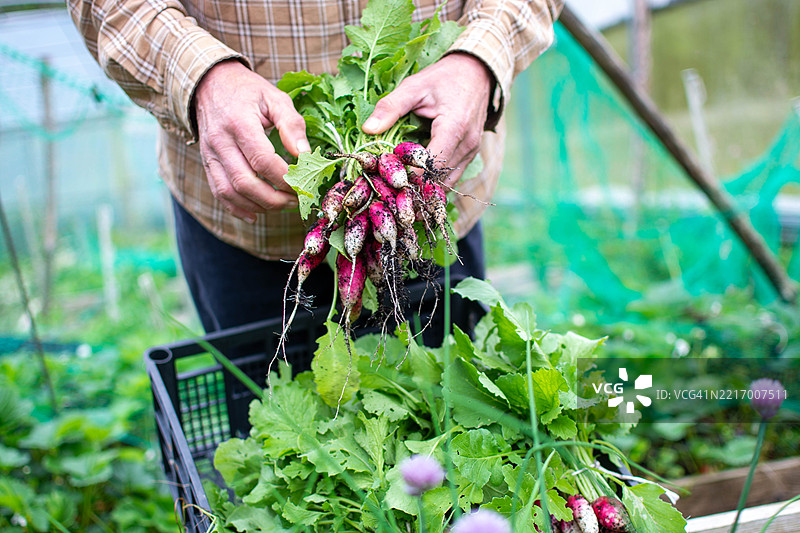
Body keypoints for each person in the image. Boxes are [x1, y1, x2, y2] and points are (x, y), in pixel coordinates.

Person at [68, 0, 562, 350]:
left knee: (446, 384)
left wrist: (479, 57)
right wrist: (199, 75)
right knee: (265, 415)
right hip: (245, 213)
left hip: (427, 212)